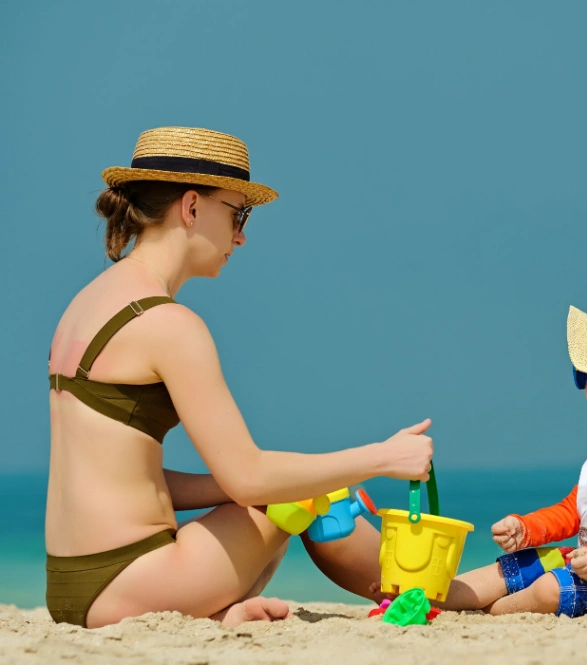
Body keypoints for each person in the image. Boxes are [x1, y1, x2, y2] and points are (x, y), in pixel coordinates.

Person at [46, 127, 433, 628]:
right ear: (191, 207)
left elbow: (135, 481)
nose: (241, 235)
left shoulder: (86, 305)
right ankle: (429, 592)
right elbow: (249, 475)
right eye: (238, 214)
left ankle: (220, 611)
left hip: (71, 588)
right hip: (134, 581)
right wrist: (383, 458)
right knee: (299, 494)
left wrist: (256, 487)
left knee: (292, 485)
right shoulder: (167, 324)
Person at [417, 295, 587, 617]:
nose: (582, 382)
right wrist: (526, 528)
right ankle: (424, 596)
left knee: (549, 588)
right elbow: (573, 512)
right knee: (512, 568)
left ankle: (490, 611)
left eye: (584, 373)